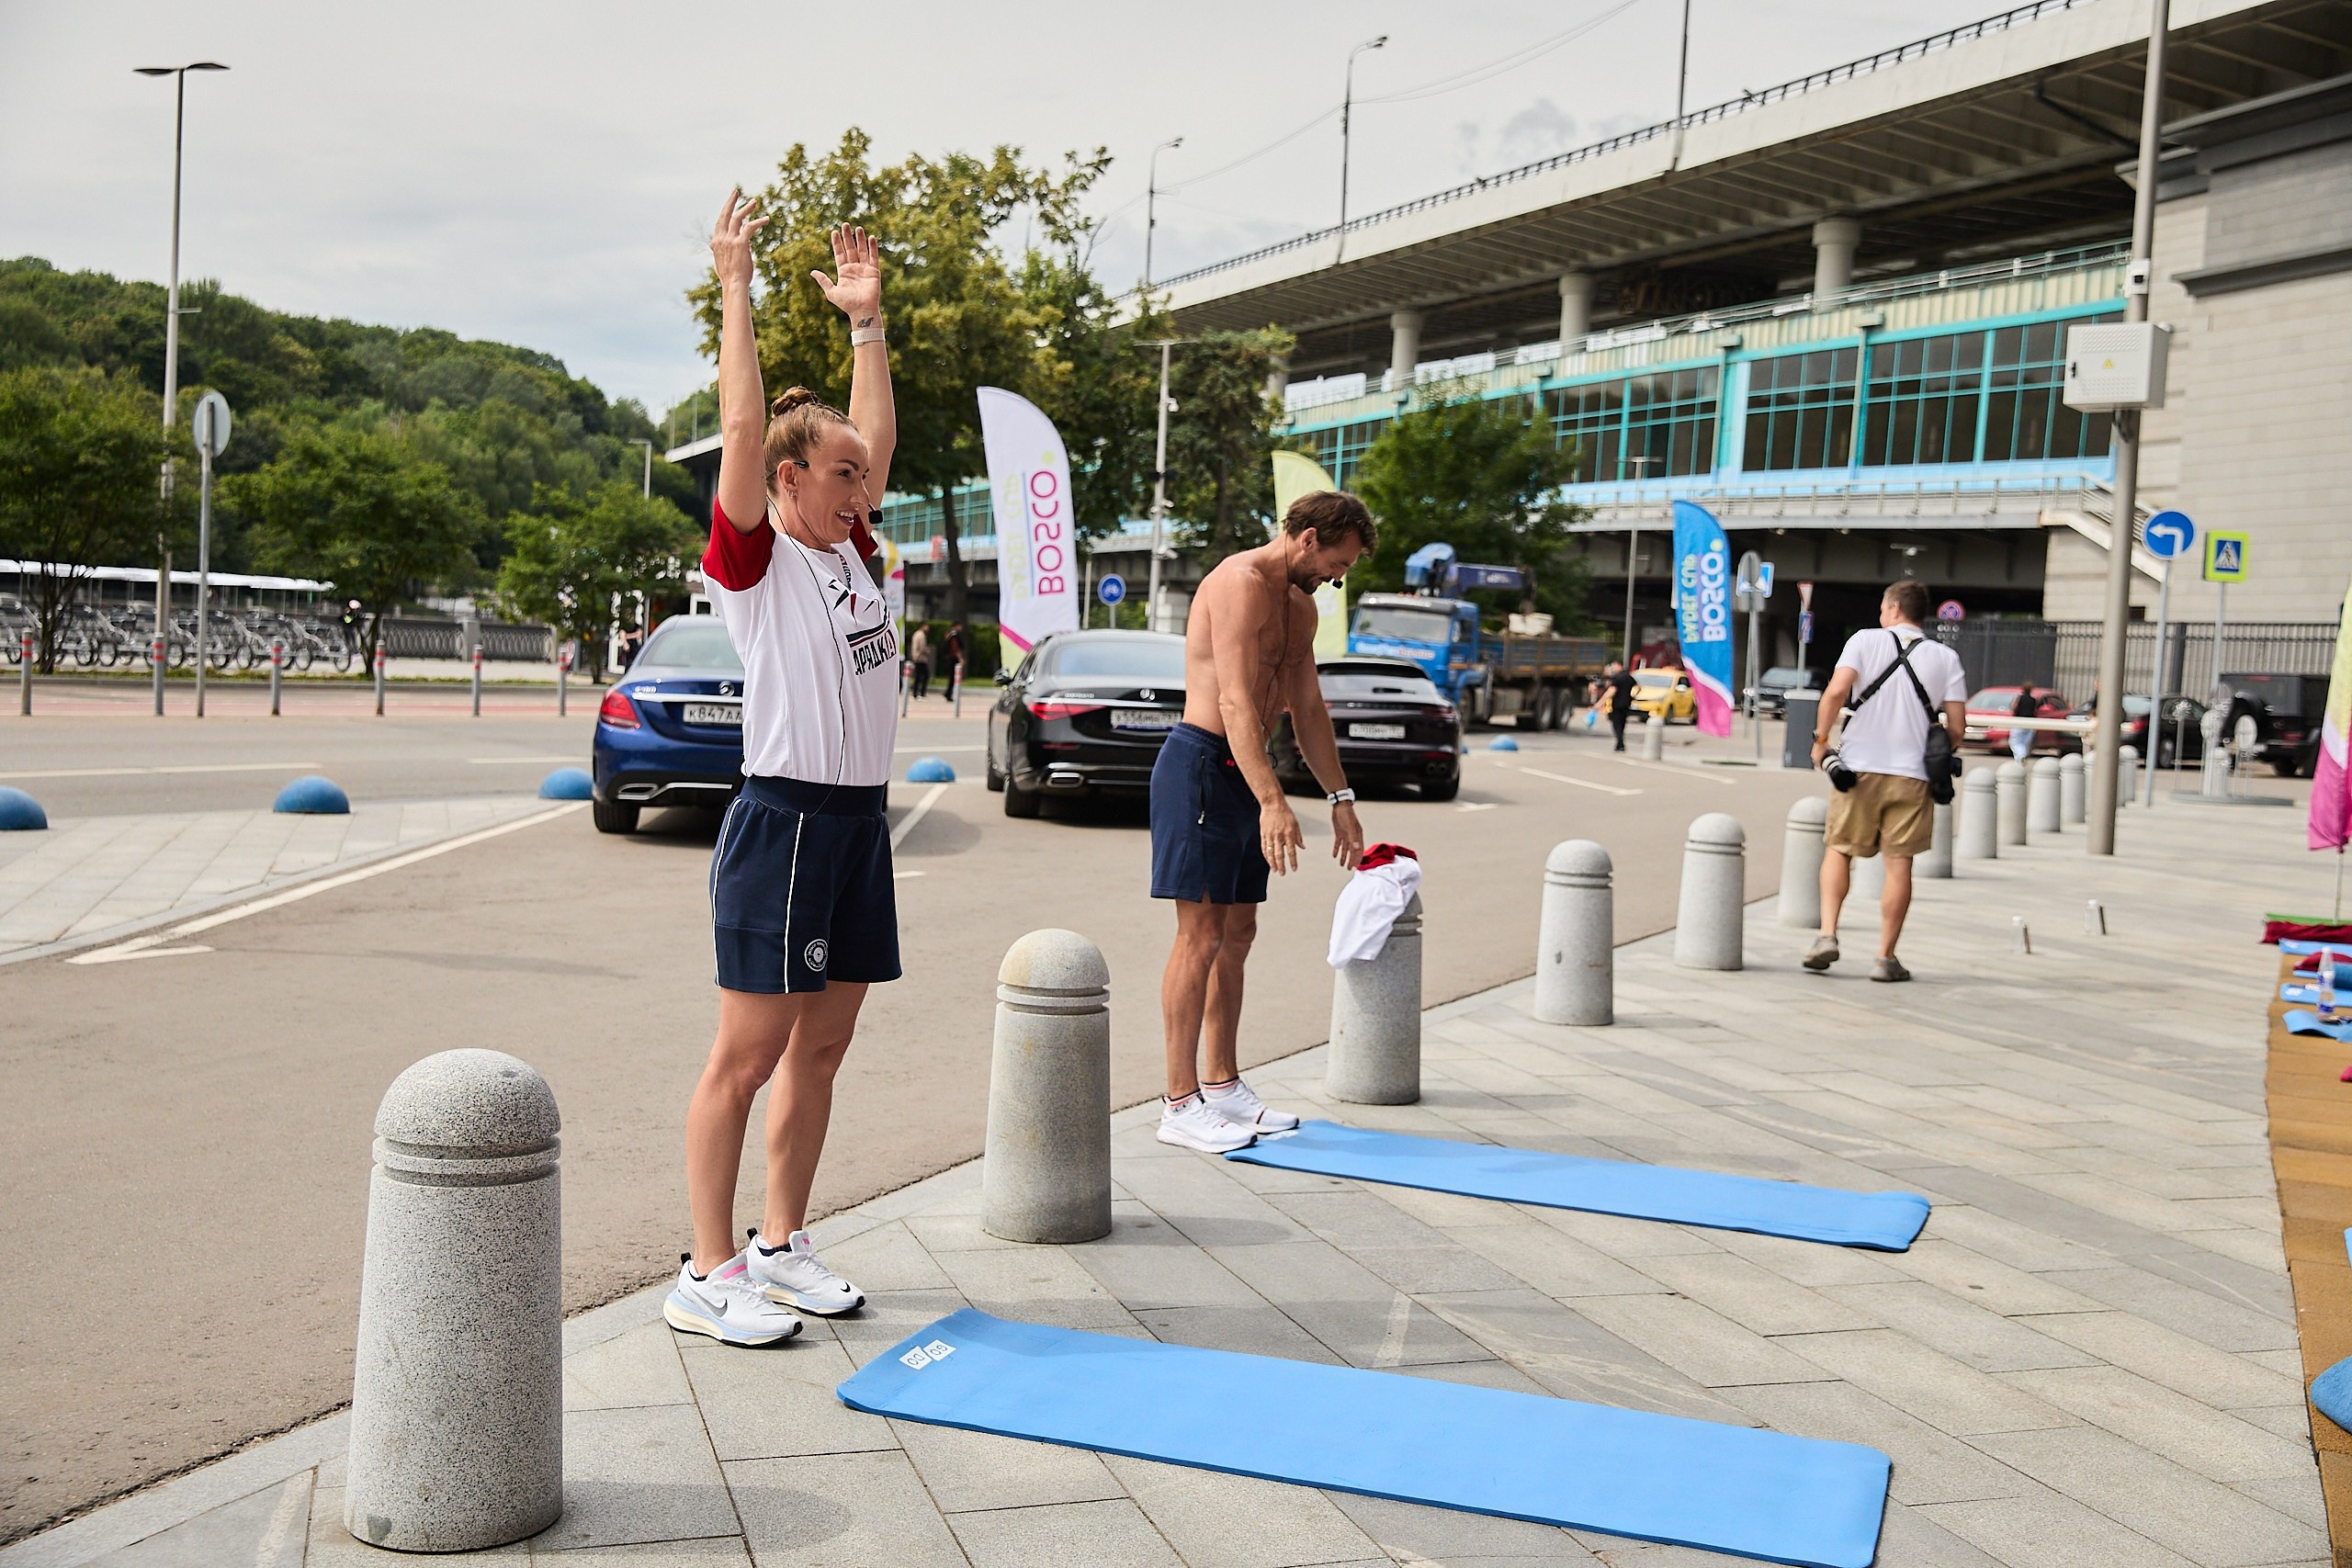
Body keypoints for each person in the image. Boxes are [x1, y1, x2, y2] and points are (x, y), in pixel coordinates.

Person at [664, 191, 900, 1348]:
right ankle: (706, 1271)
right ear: (789, 480)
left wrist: (868, 325)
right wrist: (737, 288)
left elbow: (873, 439)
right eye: (843, 472)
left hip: (859, 825)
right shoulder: (757, 566)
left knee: (825, 1043)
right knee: (748, 1053)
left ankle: (779, 1242)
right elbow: (747, 429)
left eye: (864, 475)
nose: (866, 486)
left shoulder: (857, 553)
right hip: (787, 823)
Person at [1150, 491, 1374, 1152]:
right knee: (1200, 934)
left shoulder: (1300, 608)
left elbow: (1307, 710)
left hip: (1246, 770)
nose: (1339, 577)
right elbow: (1234, 699)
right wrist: (1272, 799)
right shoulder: (1239, 583)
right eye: (1338, 561)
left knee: (1239, 930)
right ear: (1307, 537)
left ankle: (1221, 1084)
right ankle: (1178, 1101)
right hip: (1201, 764)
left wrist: (1341, 799)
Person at [1804, 580, 1967, 983]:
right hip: (1913, 777)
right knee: (1899, 867)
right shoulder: (1946, 658)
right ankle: (1885, 957)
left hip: (1857, 770)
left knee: (1839, 850)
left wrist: (1822, 742)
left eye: (1882, 606)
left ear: (1894, 607)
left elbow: (1835, 693)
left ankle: (1827, 935)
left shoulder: (1864, 641)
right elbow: (1958, 726)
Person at [1602, 660, 1636, 751]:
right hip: (1626, 704)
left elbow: (1611, 691)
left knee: (1616, 724)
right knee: (1622, 724)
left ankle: (1620, 743)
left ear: (1619, 666)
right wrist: (1633, 696)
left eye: (1614, 666)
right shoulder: (1629, 677)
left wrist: (1600, 703)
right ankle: (1619, 744)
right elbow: (1638, 687)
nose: (1613, 668)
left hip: (1617, 704)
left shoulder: (1618, 678)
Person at [2009, 683, 2040, 762]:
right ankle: (2021, 759)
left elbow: (2013, 707)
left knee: (2014, 741)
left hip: (2019, 721)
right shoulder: (2033, 700)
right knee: (2025, 742)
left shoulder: (2019, 698)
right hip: (2030, 723)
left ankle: (2021, 756)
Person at [907, 622, 932, 700]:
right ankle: (920, 692)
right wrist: (928, 651)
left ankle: (917, 692)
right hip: (920, 658)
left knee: (919, 675)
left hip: (916, 657)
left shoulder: (916, 634)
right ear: (923, 626)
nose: (928, 628)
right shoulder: (921, 635)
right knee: (924, 675)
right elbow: (922, 647)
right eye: (927, 626)